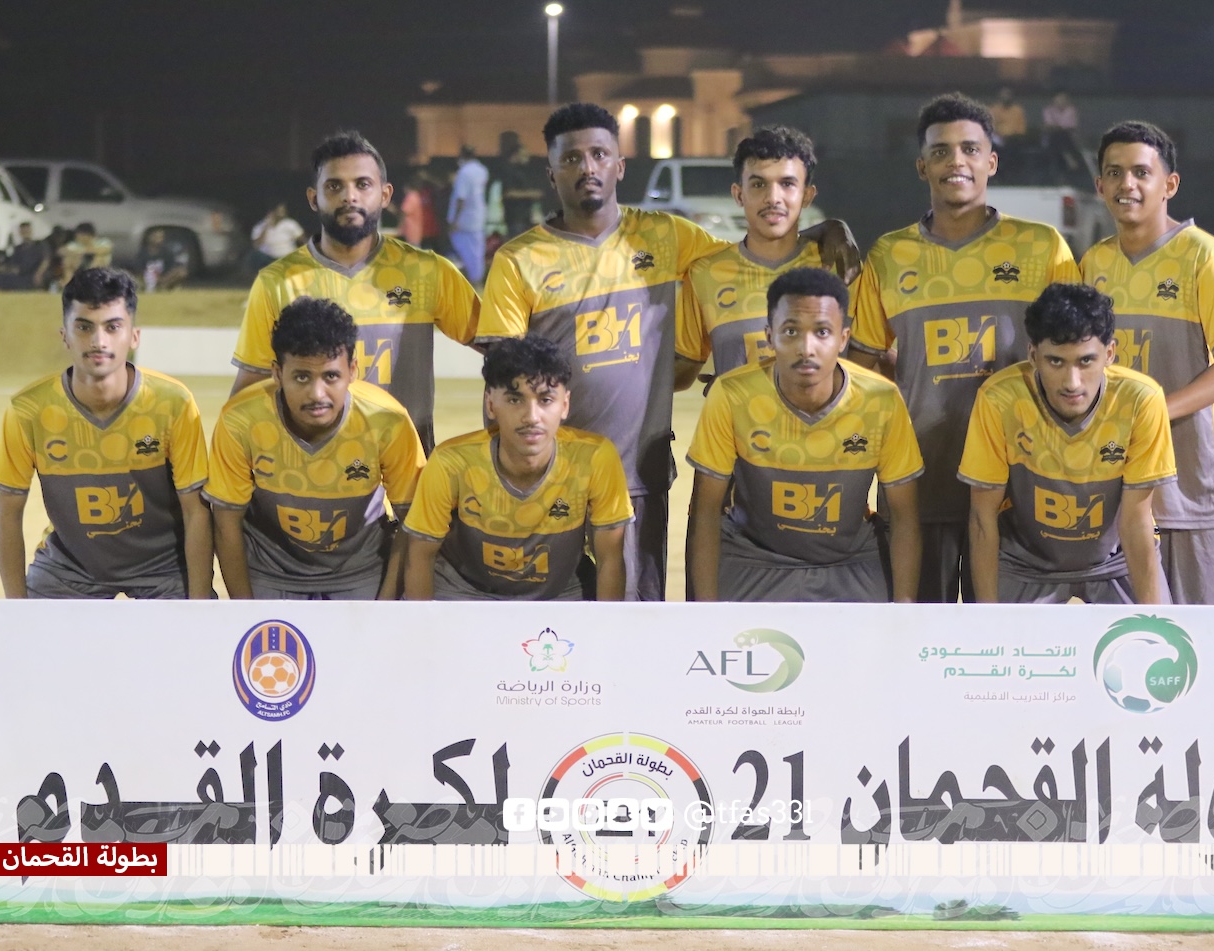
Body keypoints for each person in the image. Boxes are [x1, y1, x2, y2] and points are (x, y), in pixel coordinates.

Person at [479, 102, 858, 601]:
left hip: (641, 474)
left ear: (620, 165)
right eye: (571, 158)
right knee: (551, 618)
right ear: (550, 172)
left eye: (599, 154)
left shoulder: (667, 236)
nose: (587, 167)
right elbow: (501, 382)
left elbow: (755, 247)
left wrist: (824, 229)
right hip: (552, 476)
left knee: (636, 616)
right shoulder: (519, 260)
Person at [848, 92, 1080, 604]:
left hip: (1018, 491)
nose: (957, 161)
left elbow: (1078, 360)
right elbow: (858, 370)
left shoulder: (1041, 247)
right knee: (917, 637)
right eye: (941, 151)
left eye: (971, 149)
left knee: (998, 642)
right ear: (922, 166)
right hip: (917, 484)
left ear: (991, 161)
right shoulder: (889, 255)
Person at [1080, 121, 1214, 605]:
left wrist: (1153, 412)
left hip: (1193, 486)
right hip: (1118, 489)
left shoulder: (1202, 255)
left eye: (1142, 172)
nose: (1127, 184)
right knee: (1134, 638)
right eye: (1114, 173)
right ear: (1100, 186)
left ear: (1170, 184)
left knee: (1207, 637)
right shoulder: (1093, 264)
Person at [228, 130, 480, 453]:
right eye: (335, 186)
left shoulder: (428, 272)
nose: (350, 196)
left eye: (363, 184)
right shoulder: (278, 282)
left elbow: (504, 351)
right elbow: (249, 391)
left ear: (385, 195)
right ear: (313, 198)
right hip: (314, 474)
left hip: (408, 473)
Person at [688, 267, 922, 602]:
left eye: (822, 332)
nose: (806, 347)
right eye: (791, 331)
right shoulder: (732, 394)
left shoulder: (881, 400)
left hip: (851, 559)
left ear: (843, 339)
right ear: (770, 336)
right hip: (754, 556)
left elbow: (904, 516)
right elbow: (707, 511)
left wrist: (904, 611)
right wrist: (707, 612)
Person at [0, 267, 212, 599]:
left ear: (134, 336)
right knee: (29, 634)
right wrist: (17, 610)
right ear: (65, 335)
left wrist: (199, 606)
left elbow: (196, 512)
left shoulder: (173, 404)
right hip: (68, 569)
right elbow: (7, 513)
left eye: (113, 327)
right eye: (84, 327)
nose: (98, 341)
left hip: (164, 568)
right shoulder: (29, 411)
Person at [960, 283, 1175, 604]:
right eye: (1056, 362)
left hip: (1114, 562)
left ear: (1110, 354)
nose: (1072, 382)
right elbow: (982, 516)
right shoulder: (999, 399)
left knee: (1152, 631)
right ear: (1033, 355)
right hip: (1024, 564)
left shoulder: (1141, 400)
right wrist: (990, 618)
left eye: (1085, 361)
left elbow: (1136, 520)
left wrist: (1151, 620)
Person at [207, 296, 426, 600]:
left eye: (331, 376)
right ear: (276, 373)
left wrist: (384, 608)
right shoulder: (240, 421)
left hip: (362, 571)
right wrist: (248, 610)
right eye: (301, 377)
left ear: (352, 370)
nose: (317, 394)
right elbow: (225, 522)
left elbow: (412, 522)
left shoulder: (388, 421)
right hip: (270, 571)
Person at [404, 337, 631, 601]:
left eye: (546, 400)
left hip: (561, 594)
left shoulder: (595, 458)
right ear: (491, 405)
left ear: (565, 405)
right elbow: (420, 555)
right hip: (464, 591)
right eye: (515, 400)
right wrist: (424, 625)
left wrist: (606, 627)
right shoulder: (451, 463)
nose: (531, 417)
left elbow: (610, 560)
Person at [675, 125, 852, 390]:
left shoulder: (841, 267)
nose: (773, 198)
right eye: (759, 184)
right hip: (737, 419)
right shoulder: (706, 274)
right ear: (738, 194)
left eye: (787, 184)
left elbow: (866, 368)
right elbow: (680, 372)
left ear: (807, 195)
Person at [447, 146, 490, 284]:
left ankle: (470, 281)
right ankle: (477, 281)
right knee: (477, 252)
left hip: (464, 219)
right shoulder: (482, 170)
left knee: (464, 251)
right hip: (478, 216)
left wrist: (454, 220)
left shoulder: (464, 172)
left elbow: (461, 198)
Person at [247, 202, 306, 273]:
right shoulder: (260, 226)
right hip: (268, 259)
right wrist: (266, 227)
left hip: (287, 257)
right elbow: (256, 245)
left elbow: (302, 239)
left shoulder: (289, 224)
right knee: (254, 256)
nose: (281, 214)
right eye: (279, 211)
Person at [0, 221, 51, 290]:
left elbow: (46, 261)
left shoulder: (40, 245)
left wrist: (39, 274)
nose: (25, 232)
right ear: (20, 232)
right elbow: (14, 264)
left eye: (27, 230)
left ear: (31, 231)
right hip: (23, 274)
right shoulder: (18, 248)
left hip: (35, 273)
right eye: (23, 231)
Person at [139, 227, 191, 291]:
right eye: (156, 237)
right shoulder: (143, 253)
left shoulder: (166, 252)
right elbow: (139, 269)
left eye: (160, 237)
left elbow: (171, 267)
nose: (158, 240)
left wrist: (163, 278)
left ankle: (163, 286)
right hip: (148, 278)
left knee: (182, 272)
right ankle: (150, 287)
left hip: (163, 277)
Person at [1042, 92, 1083, 172]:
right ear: (1053, 100)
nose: (1060, 102)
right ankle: (1068, 157)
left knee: (1061, 134)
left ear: (1067, 100)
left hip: (1068, 136)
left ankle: (1057, 168)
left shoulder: (1071, 110)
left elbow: (1071, 126)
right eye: (1058, 100)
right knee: (1056, 135)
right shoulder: (1048, 110)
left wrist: (1058, 126)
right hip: (1051, 136)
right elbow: (1049, 124)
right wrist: (1059, 126)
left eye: (1063, 99)